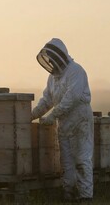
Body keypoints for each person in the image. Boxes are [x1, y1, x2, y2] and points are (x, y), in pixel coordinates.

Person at [31, 38, 94, 203]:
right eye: (49, 59)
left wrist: (52, 115)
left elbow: (71, 98)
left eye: (52, 58)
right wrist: (31, 115)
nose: (51, 62)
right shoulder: (53, 78)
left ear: (61, 56)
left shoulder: (76, 71)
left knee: (81, 158)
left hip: (80, 119)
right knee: (65, 160)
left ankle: (85, 196)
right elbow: (47, 100)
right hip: (64, 122)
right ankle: (68, 194)